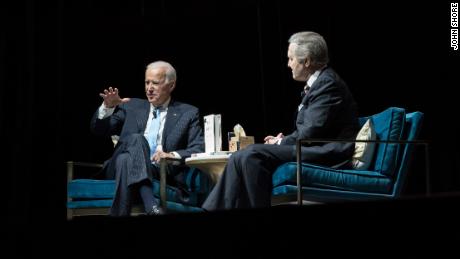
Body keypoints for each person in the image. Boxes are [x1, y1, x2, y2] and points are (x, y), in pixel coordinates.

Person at [202, 31, 360, 210]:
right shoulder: (319, 84)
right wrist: (282, 140)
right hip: (313, 145)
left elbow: (310, 132)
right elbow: (314, 128)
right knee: (240, 155)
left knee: (252, 154)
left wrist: (281, 142)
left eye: (291, 59)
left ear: (306, 61)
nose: (288, 64)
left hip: (329, 152)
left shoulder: (327, 84)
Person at [91, 61, 204, 216]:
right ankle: (151, 204)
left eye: (155, 83)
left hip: (159, 171)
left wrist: (171, 155)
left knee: (126, 160)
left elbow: (198, 148)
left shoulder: (188, 113)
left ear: (171, 86)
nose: (149, 88)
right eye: (147, 82)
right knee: (136, 139)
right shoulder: (131, 106)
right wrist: (107, 108)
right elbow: (99, 130)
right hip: (114, 168)